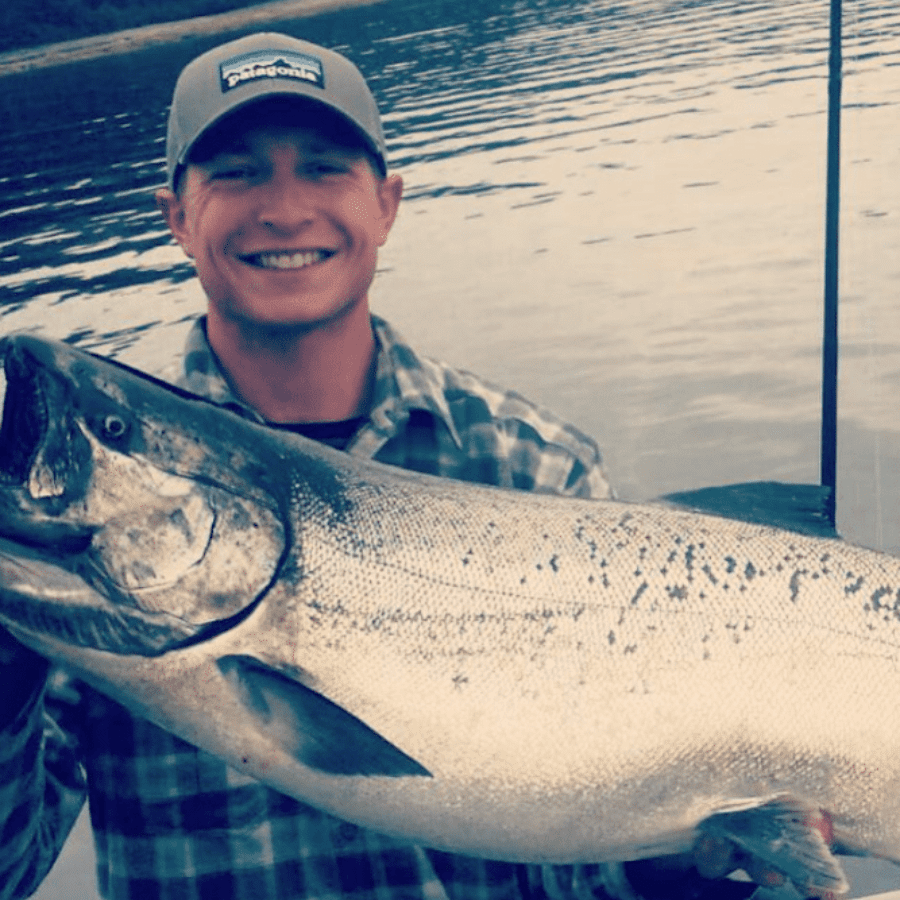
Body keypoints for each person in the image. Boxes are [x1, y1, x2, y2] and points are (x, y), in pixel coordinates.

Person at [0, 31, 817, 900]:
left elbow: (595, 861)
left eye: (324, 168)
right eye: (236, 172)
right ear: (176, 216)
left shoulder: (531, 467)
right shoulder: (59, 568)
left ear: (386, 204)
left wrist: (691, 862)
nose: (284, 209)